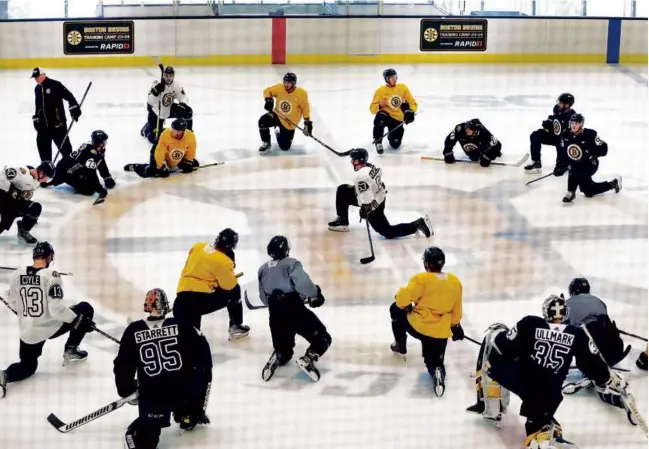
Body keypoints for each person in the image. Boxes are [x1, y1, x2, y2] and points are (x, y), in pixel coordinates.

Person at [466, 294, 634, 448]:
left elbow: (502, 343)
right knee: (537, 424)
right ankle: (541, 437)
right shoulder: (577, 335)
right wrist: (606, 380)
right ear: (566, 314)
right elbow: (592, 363)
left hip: (520, 378)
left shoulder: (530, 323)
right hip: (548, 394)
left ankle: (492, 404)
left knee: (494, 341)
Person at [114, 288, 213, 449]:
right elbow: (204, 357)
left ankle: (147, 429)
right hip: (182, 392)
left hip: (153, 398)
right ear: (167, 307)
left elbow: (122, 366)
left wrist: (126, 390)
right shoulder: (183, 325)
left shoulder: (133, 330)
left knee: (148, 440)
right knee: (201, 371)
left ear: (147, 306)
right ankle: (189, 414)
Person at [0, 242, 95, 398]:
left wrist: (26, 315)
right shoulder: (53, 275)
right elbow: (56, 309)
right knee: (85, 308)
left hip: (28, 333)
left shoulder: (17, 274)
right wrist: (77, 320)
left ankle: (4, 375)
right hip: (51, 326)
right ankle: (71, 350)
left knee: (27, 366)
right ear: (49, 257)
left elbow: (12, 301)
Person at [389, 246, 463, 397]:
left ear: (426, 264)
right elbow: (457, 311)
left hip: (419, 326)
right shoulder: (455, 281)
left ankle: (400, 344)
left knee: (395, 310)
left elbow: (401, 299)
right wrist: (455, 326)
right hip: (440, 331)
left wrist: (406, 305)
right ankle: (438, 372)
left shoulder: (421, 279)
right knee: (434, 361)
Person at [258, 235, 331, 382]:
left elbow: (263, 297)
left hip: (275, 312)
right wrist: (315, 293)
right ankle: (309, 357)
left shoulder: (263, 269)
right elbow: (304, 284)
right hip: (294, 309)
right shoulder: (291, 264)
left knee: (284, 350)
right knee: (323, 338)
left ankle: (278, 354)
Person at [328, 148, 432, 239]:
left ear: (356, 161)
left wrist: (365, 210)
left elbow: (367, 198)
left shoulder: (361, 176)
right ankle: (343, 220)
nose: (351, 162)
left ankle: (417, 224)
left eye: (352, 160)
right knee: (343, 190)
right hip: (377, 195)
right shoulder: (370, 167)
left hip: (374, 203)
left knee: (387, 232)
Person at [173, 228, 250, 339]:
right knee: (235, 290)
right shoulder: (224, 261)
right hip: (199, 301)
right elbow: (229, 286)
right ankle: (235, 327)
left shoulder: (198, 246)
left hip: (181, 298)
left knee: (188, 336)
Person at [562, 277, 628, 394]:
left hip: (590, 355)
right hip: (615, 350)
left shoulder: (566, 304)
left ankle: (594, 374)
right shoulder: (599, 301)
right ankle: (598, 372)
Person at [559, 113, 621, 203]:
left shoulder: (590, 135)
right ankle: (612, 184)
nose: (573, 125)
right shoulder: (566, 134)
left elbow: (604, 149)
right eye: (572, 123)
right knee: (588, 191)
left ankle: (571, 192)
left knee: (574, 169)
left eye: (576, 123)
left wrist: (593, 154)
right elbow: (563, 151)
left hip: (590, 164)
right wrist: (561, 165)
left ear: (581, 124)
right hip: (576, 163)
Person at [43, 130, 115, 204]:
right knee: (89, 190)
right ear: (98, 143)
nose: (105, 144)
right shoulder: (89, 153)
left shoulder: (97, 149)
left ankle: (50, 179)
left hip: (76, 170)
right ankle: (47, 180)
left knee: (90, 187)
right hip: (65, 170)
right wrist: (99, 189)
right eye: (104, 142)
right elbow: (92, 173)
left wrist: (107, 177)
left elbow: (100, 162)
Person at [31, 67, 81, 163]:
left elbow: (69, 96)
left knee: (66, 151)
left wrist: (74, 108)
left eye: (37, 77)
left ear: (43, 75)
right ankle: (46, 170)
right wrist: (36, 118)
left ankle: (71, 169)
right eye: (34, 77)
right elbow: (38, 106)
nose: (35, 79)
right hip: (43, 127)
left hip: (58, 125)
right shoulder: (37, 89)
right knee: (43, 150)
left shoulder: (54, 84)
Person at [0, 162, 55, 244]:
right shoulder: (22, 173)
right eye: (47, 178)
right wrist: (11, 190)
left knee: (35, 208)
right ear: (42, 173)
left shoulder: (36, 181)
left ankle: (23, 230)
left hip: (15, 203)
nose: (46, 181)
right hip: (4, 198)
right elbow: (2, 175)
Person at [125, 118, 198, 178]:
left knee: (194, 165)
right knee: (152, 171)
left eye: (177, 131)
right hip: (159, 153)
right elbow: (159, 151)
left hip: (176, 155)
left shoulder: (190, 136)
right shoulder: (165, 134)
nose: (174, 132)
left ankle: (175, 165)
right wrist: (160, 166)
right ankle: (136, 166)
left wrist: (188, 161)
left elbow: (191, 150)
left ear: (183, 131)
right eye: (173, 130)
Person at [258, 72, 312, 155]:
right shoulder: (280, 88)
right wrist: (268, 99)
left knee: (285, 147)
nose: (286, 84)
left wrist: (307, 122)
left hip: (289, 123)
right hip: (277, 115)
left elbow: (305, 108)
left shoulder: (301, 93)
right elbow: (267, 91)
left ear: (293, 83)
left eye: (288, 83)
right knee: (262, 121)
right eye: (285, 82)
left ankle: (277, 130)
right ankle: (266, 143)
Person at [524, 93, 576, 175]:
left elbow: (569, 133)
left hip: (564, 139)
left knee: (561, 141)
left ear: (567, 105)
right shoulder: (556, 108)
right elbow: (555, 120)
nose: (558, 104)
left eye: (561, 103)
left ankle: (562, 164)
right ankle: (536, 162)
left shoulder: (572, 116)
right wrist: (549, 123)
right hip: (554, 136)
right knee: (535, 135)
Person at [369, 68, 418, 154]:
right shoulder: (380, 91)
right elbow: (372, 109)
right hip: (386, 116)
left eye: (395, 77)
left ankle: (391, 136)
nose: (394, 79)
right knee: (379, 118)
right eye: (391, 78)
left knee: (395, 145)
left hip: (398, 119)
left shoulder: (402, 88)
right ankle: (378, 142)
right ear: (386, 79)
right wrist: (380, 105)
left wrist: (410, 112)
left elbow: (413, 103)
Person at [141, 66, 193, 144]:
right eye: (166, 75)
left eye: (170, 76)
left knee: (187, 111)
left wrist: (182, 103)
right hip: (155, 111)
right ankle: (146, 128)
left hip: (168, 108)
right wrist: (156, 92)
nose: (168, 78)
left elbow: (183, 96)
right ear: (163, 75)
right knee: (155, 139)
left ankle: (188, 133)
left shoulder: (176, 85)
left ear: (173, 76)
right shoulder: (156, 84)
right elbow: (150, 101)